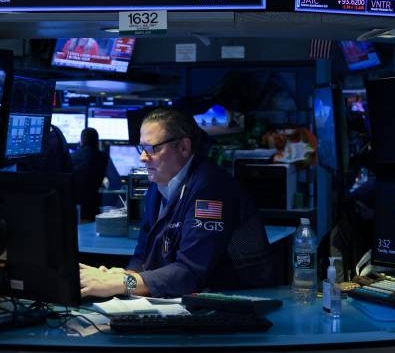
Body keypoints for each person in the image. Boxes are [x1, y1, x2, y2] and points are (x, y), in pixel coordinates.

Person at [79, 108, 275, 299]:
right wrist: (121, 276)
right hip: (188, 299)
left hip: (237, 302)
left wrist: (122, 285)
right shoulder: (157, 187)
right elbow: (142, 257)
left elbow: (190, 272)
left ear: (183, 147)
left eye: (152, 148)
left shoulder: (210, 188)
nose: (142, 157)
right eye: (141, 148)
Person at [71, 127, 109, 222]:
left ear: (82, 140)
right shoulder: (103, 157)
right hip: (94, 205)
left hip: (75, 205)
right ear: (97, 141)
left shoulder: (72, 157)